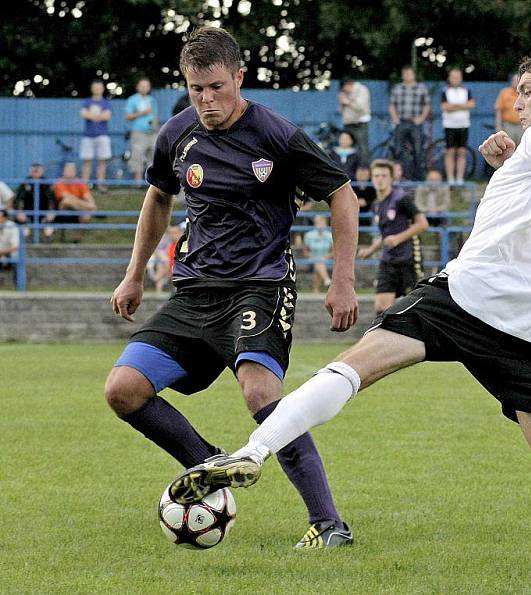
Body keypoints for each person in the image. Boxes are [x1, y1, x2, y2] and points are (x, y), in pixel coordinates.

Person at [170, 52, 531, 567]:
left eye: (527, 87)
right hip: (524, 330)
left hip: (465, 298)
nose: (518, 98)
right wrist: (511, 164)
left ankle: (251, 453)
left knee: (355, 365)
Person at [105, 26, 360, 549]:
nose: (207, 100)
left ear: (239, 78)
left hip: (259, 286)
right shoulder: (176, 134)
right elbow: (157, 200)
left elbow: (342, 195)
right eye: (196, 89)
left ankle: (329, 523)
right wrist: (134, 274)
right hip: (195, 292)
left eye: (217, 87)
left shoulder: (276, 135)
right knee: (123, 390)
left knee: (261, 391)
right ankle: (207, 464)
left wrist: (342, 281)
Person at [357, 159, 429, 315]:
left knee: (412, 308)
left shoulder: (401, 199)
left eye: (384, 175)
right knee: (381, 308)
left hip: (408, 258)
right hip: (388, 259)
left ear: (391, 178)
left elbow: (422, 224)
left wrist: (398, 238)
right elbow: (385, 234)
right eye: (376, 176)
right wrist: (370, 250)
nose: (379, 179)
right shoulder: (377, 204)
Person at [389, 65, 430, 180]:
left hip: (415, 124)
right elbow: (392, 105)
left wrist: (421, 118)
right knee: (398, 151)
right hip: (401, 122)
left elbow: (427, 105)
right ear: (402, 75)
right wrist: (395, 118)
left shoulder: (421, 88)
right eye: (405, 73)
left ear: (413, 75)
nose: (407, 76)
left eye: (409, 73)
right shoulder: (397, 88)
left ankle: (418, 178)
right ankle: (400, 176)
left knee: (418, 151)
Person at [440, 67, 475, 183]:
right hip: (449, 126)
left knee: (462, 152)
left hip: (464, 125)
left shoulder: (467, 90)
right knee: (450, 152)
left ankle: (460, 178)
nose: (455, 79)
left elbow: (471, 104)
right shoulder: (445, 90)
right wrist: (462, 105)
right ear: (449, 78)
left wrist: (453, 106)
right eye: (453, 77)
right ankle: (450, 178)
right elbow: (445, 107)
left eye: (458, 77)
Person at [79, 79, 112, 191]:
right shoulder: (87, 101)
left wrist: (92, 115)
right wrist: (99, 115)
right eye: (95, 87)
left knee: (102, 161)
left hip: (102, 135)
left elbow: (107, 116)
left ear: (102, 89)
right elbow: (83, 114)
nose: (97, 89)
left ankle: (100, 184)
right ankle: (84, 186)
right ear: (92, 89)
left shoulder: (106, 102)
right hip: (88, 136)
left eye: (99, 87)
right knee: (86, 161)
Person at [125, 77, 159, 181]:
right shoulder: (132, 99)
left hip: (152, 132)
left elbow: (155, 116)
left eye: (147, 86)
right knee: (137, 156)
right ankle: (138, 183)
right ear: (138, 87)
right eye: (142, 86)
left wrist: (157, 128)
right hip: (139, 132)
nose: (145, 88)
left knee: (153, 157)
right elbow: (128, 116)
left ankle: (151, 183)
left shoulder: (152, 100)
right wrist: (142, 112)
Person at [12, 162, 56, 239]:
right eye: (34, 171)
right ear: (30, 171)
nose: (35, 173)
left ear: (42, 171)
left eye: (37, 170)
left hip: (43, 212)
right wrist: (19, 211)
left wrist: (51, 211)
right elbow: (18, 199)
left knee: (50, 222)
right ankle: (26, 240)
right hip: (28, 212)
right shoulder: (25, 183)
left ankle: (48, 239)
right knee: (21, 221)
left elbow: (52, 199)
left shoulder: (47, 184)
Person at [338, 77, 371, 165]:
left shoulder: (361, 90)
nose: (344, 90)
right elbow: (341, 110)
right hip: (348, 124)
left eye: (344, 88)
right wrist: (342, 102)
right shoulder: (344, 93)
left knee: (362, 149)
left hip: (360, 124)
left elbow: (361, 107)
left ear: (348, 84)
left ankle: (364, 171)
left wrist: (347, 101)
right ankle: (349, 170)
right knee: (346, 147)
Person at [53, 162, 97, 226]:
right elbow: (66, 196)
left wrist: (91, 204)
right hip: (64, 208)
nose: (70, 171)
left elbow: (88, 197)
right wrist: (88, 205)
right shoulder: (59, 182)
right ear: (64, 171)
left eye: (72, 170)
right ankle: (84, 211)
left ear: (75, 171)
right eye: (68, 170)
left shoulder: (79, 182)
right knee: (67, 201)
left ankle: (80, 229)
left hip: (78, 207)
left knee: (86, 216)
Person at [303, 215, 334, 292]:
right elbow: (305, 252)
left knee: (319, 263)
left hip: (326, 259)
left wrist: (326, 257)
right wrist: (313, 257)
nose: (321, 225)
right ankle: (326, 279)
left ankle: (316, 289)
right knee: (318, 262)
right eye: (319, 223)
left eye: (322, 223)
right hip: (312, 259)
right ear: (315, 224)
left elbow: (334, 252)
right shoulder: (309, 235)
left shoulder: (330, 235)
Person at [494, 73, 522, 146]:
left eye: (519, 80)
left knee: (522, 149)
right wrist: (498, 127)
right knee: (508, 147)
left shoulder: (524, 94)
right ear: (511, 81)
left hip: (522, 126)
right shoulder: (504, 93)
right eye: (515, 80)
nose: (517, 82)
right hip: (508, 126)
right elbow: (499, 110)